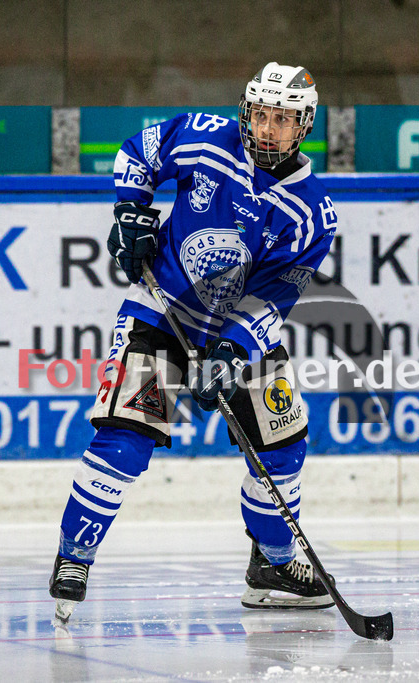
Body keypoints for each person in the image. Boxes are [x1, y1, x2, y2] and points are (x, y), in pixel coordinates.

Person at [48, 62, 339, 621]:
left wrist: (232, 350)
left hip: (236, 336)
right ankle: (74, 556)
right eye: (260, 114)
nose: (268, 129)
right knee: (126, 435)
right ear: (244, 110)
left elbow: (275, 295)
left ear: (304, 125)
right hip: (159, 311)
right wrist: (131, 210)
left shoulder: (312, 214)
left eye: (283, 119)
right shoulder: (206, 135)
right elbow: (139, 152)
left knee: (282, 448)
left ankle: (275, 563)